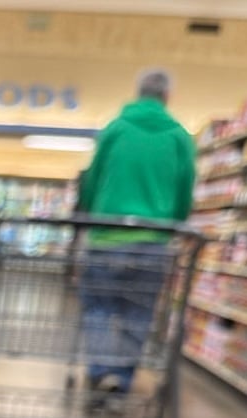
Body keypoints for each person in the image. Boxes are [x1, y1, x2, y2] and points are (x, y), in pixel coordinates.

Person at [75, 68, 195, 399]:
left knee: (98, 308)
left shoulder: (115, 129)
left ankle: (99, 370)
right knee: (138, 313)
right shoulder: (179, 137)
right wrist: (177, 222)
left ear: (137, 91)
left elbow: (92, 179)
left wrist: (88, 216)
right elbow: (185, 192)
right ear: (167, 97)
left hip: (106, 236)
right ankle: (122, 378)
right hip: (154, 241)